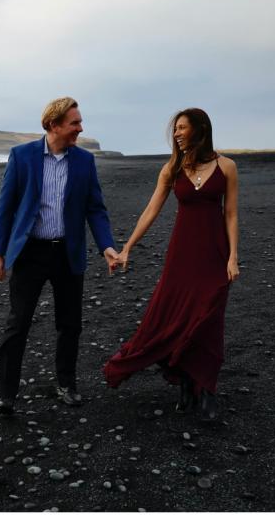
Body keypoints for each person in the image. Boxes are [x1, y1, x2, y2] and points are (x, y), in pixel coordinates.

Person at [102, 108, 239, 423]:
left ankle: (207, 391)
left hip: (215, 254)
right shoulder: (172, 169)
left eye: (181, 128)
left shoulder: (227, 167)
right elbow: (151, 210)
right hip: (182, 255)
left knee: (209, 318)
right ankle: (186, 384)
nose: (175, 134)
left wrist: (233, 256)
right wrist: (127, 248)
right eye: (175, 129)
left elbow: (230, 214)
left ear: (200, 129)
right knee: (174, 316)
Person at [0, 97, 119, 416]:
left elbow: (95, 209)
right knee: (18, 324)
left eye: (79, 121)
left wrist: (107, 247)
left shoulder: (84, 162)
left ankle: (66, 384)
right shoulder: (22, 157)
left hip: (67, 253)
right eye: (74, 123)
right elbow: (5, 208)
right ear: (53, 125)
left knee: (70, 324)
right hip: (30, 253)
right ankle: (6, 394)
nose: (80, 128)